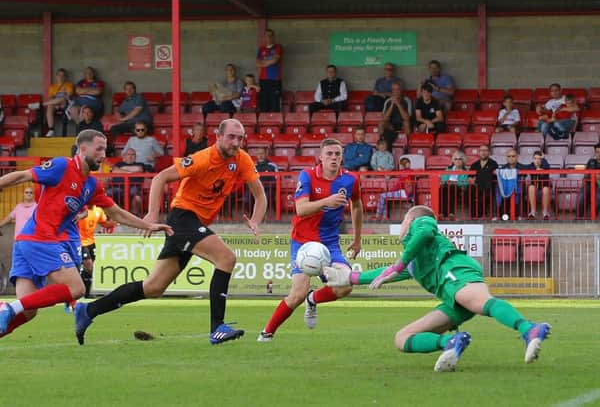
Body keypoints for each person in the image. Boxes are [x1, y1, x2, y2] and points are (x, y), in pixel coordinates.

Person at [74, 119, 267, 345]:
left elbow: (260, 195)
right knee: (226, 258)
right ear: (218, 136)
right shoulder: (202, 158)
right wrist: (152, 215)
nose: (236, 142)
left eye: (240, 138)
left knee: (153, 287)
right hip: (183, 218)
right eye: (231, 137)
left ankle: (88, 311)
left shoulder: (242, 159)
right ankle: (217, 328)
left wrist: (255, 220)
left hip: (194, 224)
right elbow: (160, 177)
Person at [323, 205, 551, 372]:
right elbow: (384, 272)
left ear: (410, 220)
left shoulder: (422, 222)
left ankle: (529, 329)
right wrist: (350, 278)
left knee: (481, 303)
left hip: (454, 269)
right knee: (402, 338)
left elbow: (423, 234)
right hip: (451, 295)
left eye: (403, 220)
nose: (402, 225)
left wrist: (399, 263)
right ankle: (450, 343)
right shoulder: (414, 260)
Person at [0, 129, 172, 339]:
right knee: (76, 288)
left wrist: (149, 225)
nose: (103, 154)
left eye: (105, 149)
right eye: (99, 149)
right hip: (40, 238)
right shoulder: (62, 166)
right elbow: (23, 175)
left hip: (29, 242)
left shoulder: (92, 185)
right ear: (82, 149)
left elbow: (115, 213)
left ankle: (9, 311)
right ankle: (7, 308)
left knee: (28, 311)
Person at [257, 138, 362, 342]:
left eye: (337, 154)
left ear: (342, 157)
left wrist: (357, 239)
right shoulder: (307, 175)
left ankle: (313, 299)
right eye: (329, 154)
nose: (333, 158)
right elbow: (301, 209)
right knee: (297, 293)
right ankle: (267, 333)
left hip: (329, 244)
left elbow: (357, 205)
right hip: (303, 242)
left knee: (346, 285)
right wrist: (327, 201)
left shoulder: (351, 179)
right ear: (320, 157)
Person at [77, 205, 116, 298]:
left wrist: (115, 222)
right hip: (81, 242)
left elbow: (104, 223)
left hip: (91, 242)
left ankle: (85, 293)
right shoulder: (81, 210)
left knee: (89, 270)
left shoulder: (99, 210)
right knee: (88, 266)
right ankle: (81, 292)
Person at [28, 68, 74, 137]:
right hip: (55, 104)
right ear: (56, 76)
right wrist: (55, 103)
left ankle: (40, 105)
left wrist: (59, 99)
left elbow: (68, 96)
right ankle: (51, 129)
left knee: (62, 98)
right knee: (50, 106)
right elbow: (50, 98)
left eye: (62, 76)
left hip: (65, 104)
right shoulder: (53, 87)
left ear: (65, 77)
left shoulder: (69, 85)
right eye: (59, 75)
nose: (61, 77)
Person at [106, 148, 152, 215]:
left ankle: (134, 215)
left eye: (133, 155)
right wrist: (131, 172)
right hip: (118, 187)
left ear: (135, 157)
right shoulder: (119, 164)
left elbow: (139, 169)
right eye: (128, 154)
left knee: (136, 197)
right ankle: (112, 215)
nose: (130, 156)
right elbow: (115, 171)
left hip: (134, 187)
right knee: (108, 193)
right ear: (124, 156)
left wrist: (122, 170)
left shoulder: (140, 164)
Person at [380, 81, 412, 151]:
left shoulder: (407, 100)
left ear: (401, 90)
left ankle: (408, 146)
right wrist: (392, 105)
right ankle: (382, 145)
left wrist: (398, 104)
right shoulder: (388, 101)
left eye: (398, 89)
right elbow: (385, 118)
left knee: (406, 123)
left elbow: (407, 118)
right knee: (381, 124)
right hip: (391, 125)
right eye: (394, 90)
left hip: (402, 125)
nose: (396, 92)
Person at [468, 145, 498, 219]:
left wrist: (477, 178)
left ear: (489, 152)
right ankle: (474, 216)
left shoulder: (493, 163)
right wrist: (473, 180)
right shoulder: (474, 165)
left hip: (489, 187)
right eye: (481, 150)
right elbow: (469, 178)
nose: (483, 152)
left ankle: (486, 214)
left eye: (485, 150)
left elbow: (494, 176)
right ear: (479, 152)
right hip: (476, 187)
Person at [496, 149, 527, 220]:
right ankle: (500, 216)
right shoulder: (502, 169)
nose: (511, 158)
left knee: (520, 193)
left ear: (517, 157)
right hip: (506, 191)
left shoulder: (523, 167)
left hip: (519, 191)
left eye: (513, 156)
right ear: (506, 158)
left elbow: (533, 167)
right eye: (509, 156)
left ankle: (520, 215)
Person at [256, 29, 283, 112]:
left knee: (274, 103)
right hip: (263, 80)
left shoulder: (278, 47)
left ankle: (274, 124)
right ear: (264, 37)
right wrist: (268, 62)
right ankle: (264, 123)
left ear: (274, 37)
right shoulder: (261, 49)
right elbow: (257, 63)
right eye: (267, 35)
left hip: (275, 80)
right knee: (263, 104)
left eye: (271, 35)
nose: (269, 37)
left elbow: (274, 60)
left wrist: (263, 63)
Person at [440, 151, 469, 220]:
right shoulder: (448, 169)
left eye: (460, 159)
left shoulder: (466, 171)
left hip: (459, 188)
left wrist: (455, 183)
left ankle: (451, 213)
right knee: (442, 189)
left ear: (463, 160)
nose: (458, 161)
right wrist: (448, 182)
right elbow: (443, 179)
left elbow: (465, 183)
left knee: (452, 188)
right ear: (453, 160)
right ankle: (442, 213)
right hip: (447, 187)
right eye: (456, 159)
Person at [524, 151, 551, 220]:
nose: (537, 160)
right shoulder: (531, 165)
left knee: (545, 189)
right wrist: (537, 169)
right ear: (533, 159)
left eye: (539, 159)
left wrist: (543, 159)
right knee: (531, 187)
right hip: (534, 189)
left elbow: (547, 166)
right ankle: (533, 212)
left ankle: (545, 212)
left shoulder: (545, 165)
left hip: (544, 189)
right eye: (535, 158)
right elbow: (527, 168)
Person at [577, 142, 600, 219]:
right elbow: (585, 174)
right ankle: (580, 217)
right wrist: (584, 181)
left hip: (598, 186)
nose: (598, 154)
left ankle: (592, 218)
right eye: (597, 152)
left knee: (598, 199)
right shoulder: (591, 161)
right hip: (589, 184)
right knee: (581, 197)